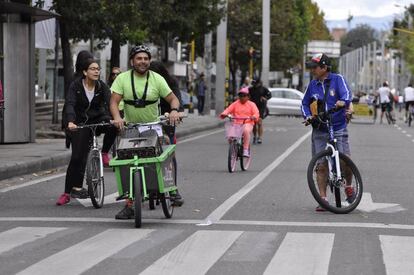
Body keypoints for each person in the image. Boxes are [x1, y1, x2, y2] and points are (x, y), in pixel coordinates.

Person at [110, 44, 182, 220]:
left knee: (166, 155)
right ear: (132, 61)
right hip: (130, 127)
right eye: (139, 58)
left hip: (153, 126)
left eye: (146, 58)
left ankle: (172, 189)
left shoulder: (157, 79)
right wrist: (117, 118)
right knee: (125, 163)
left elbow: (173, 99)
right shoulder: (122, 79)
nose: (143, 62)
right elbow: (114, 102)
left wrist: (173, 111)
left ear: (149, 61)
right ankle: (130, 204)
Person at [56, 58, 117, 206]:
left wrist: (115, 118)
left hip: (98, 119)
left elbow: (110, 103)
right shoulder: (76, 86)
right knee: (76, 157)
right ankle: (66, 193)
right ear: (85, 72)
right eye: (92, 68)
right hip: (80, 123)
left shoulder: (102, 86)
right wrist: (70, 121)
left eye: (98, 69)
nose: (96, 71)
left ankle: (104, 153)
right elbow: (70, 104)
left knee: (115, 126)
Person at [301, 53, 355, 212]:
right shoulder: (312, 85)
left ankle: (349, 187)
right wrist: (308, 116)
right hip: (319, 128)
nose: (312, 70)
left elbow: (347, 95)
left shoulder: (338, 79)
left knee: (346, 161)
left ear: (324, 67)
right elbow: (304, 103)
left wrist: (342, 102)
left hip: (338, 125)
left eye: (315, 67)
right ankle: (323, 198)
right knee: (321, 165)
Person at [149, 60, 184, 144]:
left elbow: (177, 99)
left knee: (168, 147)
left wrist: (176, 112)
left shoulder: (171, 82)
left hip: (167, 117)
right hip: (150, 119)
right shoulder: (146, 84)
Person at [220, 87, 259, 157]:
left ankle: (245, 150)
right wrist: (224, 114)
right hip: (236, 123)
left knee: (246, 131)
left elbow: (256, 113)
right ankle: (234, 148)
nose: (242, 97)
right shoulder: (235, 104)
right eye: (240, 95)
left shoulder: (252, 104)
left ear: (248, 97)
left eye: (244, 96)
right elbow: (228, 109)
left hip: (248, 123)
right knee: (230, 135)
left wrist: (254, 116)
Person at [248, 76, 271, 144]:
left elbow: (269, 95)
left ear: (258, 82)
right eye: (253, 82)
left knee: (259, 122)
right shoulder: (250, 89)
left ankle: (260, 137)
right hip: (252, 107)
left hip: (261, 107)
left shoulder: (263, 89)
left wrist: (265, 98)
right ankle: (255, 136)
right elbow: (246, 95)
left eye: (255, 82)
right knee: (254, 123)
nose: (254, 84)